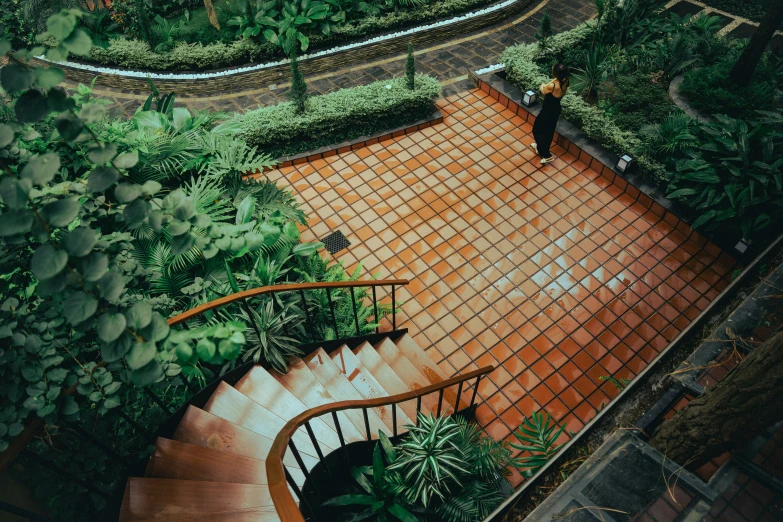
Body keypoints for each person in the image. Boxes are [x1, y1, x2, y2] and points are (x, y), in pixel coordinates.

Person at [530, 64, 569, 165]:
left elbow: (543, 90)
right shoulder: (565, 81)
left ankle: (547, 156)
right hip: (555, 109)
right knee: (548, 130)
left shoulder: (552, 85)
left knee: (537, 129)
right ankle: (540, 147)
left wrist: (543, 85)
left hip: (548, 110)